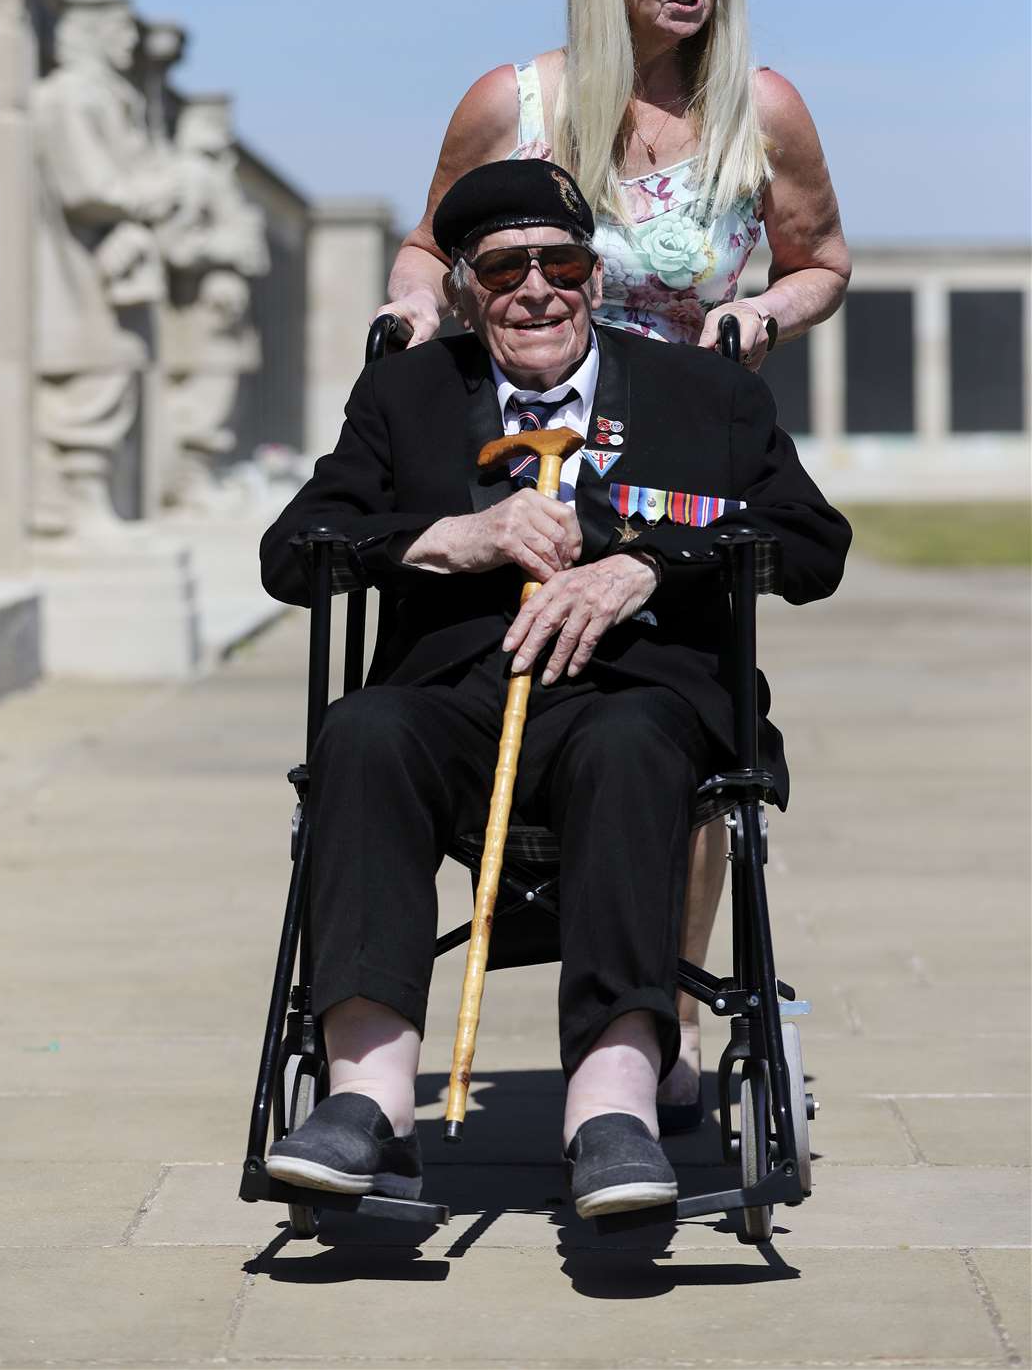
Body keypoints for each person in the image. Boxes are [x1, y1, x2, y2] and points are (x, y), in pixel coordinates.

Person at [260, 160, 850, 1218]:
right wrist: (449, 538)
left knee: (629, 747)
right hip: (453, 702)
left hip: (642, 695)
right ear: (468, 290)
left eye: (561, 261)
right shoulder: (407, 394)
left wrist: (643, 559)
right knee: (362, 731)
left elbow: (810, 547)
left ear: (592, 273)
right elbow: (295, 548)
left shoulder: (701, 393)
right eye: (503, 268)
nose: (536, 287)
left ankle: (613, 1102)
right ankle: (369, 1100)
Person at [376, 0, 851, 1125]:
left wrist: (763, 311)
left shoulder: (766, 109)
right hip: (520, 432)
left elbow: (824, 257)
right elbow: (433, 241)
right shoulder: (514, 104)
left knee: (679, 706)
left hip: (686, 454)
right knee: (465, 687)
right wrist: (415, 311)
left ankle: (667, 1022)